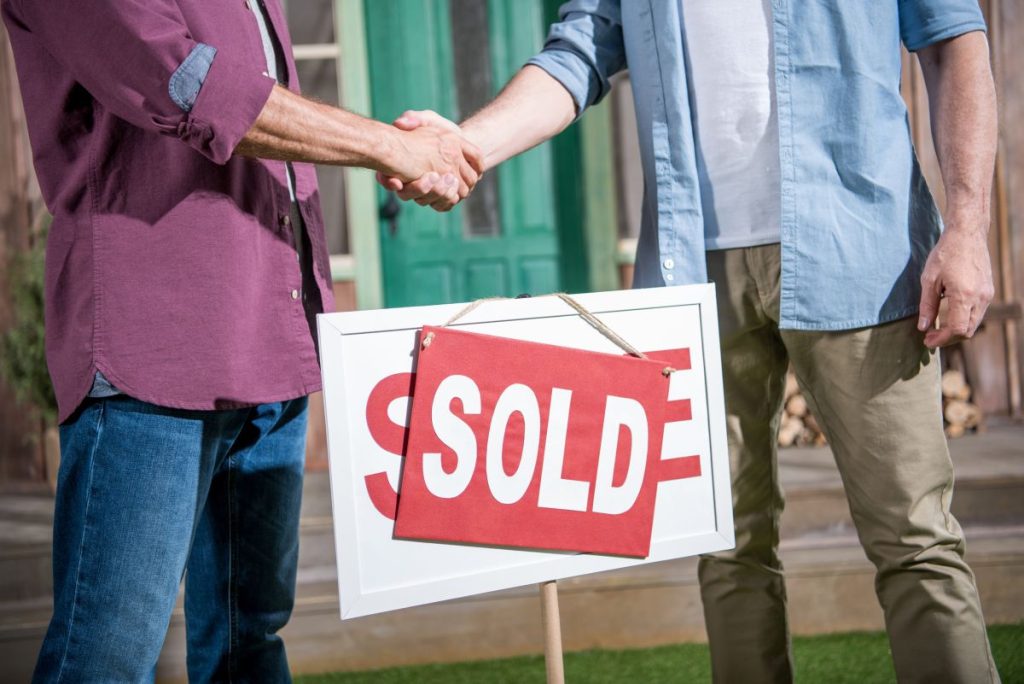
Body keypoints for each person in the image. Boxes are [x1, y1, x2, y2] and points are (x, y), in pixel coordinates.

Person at [382, 1, 1000, 681]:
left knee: (914, 541)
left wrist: (967, 227)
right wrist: (467, 144)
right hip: (688, 267)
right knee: (727, 547)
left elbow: (952, 39)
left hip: (858, 247)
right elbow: (579, 52)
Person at [1, 0, 481, 680]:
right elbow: (185, 82)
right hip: (156, 347)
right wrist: (387, 143)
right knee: (103, 660)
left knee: (249, 645)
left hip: (271, 334)